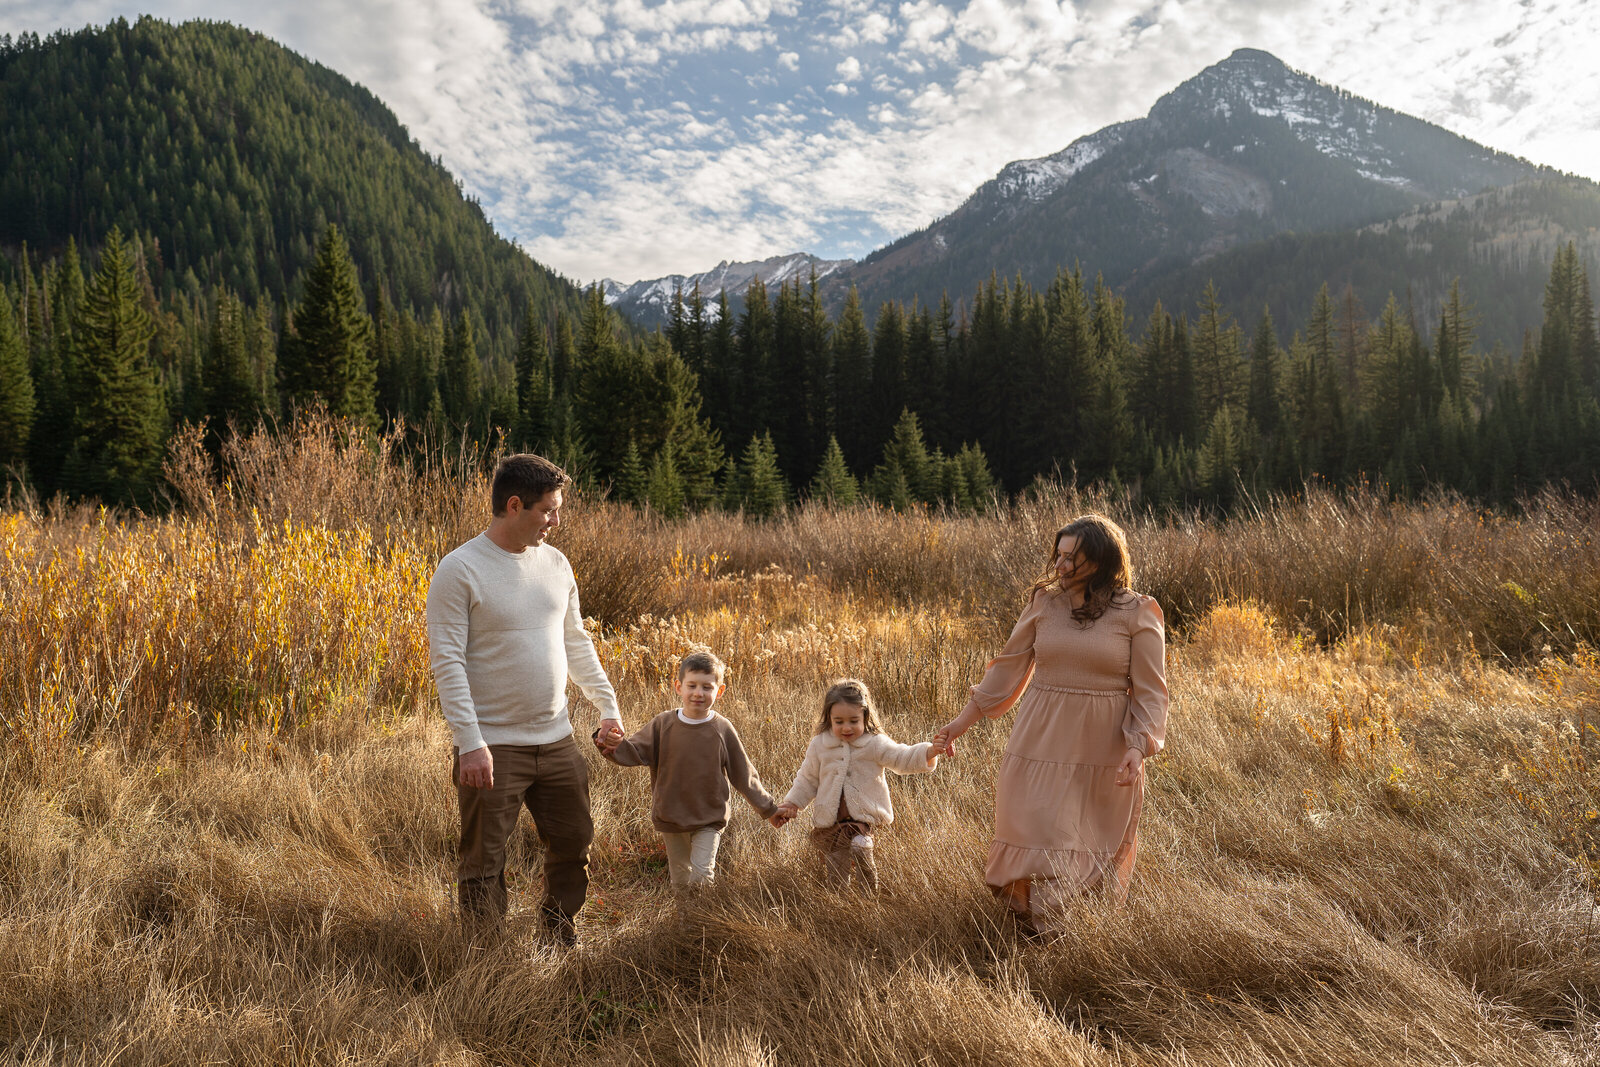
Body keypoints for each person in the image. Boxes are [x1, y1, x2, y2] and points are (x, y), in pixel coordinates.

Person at [425, 453, 623, 945]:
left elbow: (575, 641)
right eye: (548, 511)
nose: (556, 521)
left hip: (557, 739)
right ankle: (485, 959)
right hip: (492, 745)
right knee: (484, 860)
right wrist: (470, 742)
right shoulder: (460, 569)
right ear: (514, 506)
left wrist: (607, 706)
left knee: (575, 840)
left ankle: (557, 933)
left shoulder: (556, 563)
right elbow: (446, 662)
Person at [935, 514, 1167, 933]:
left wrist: (1138, 745)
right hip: (1038, 739)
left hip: (1104, 747)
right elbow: (1006, 670)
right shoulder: (1044, 603)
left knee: (1085, 838)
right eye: (1058, 555)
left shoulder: (1137, 611)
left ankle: (1062, 932)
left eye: (1072, 558)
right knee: (1029, 826)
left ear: (1100, 560)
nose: (1060, 566)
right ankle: (1030, 920)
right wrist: (960, 723)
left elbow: (1151, 691)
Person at [594, 650, 778, 888]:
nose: (698, 693)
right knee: (680, 879)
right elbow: (635, 752)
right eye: (692, 686)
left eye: (707, 687)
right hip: (672, 815)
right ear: (678, 687)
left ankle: (702, 923)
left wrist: (769, 809)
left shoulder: (722, 728)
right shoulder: (663, 724)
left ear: (719, 691)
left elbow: (744, 774)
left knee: (702, 877)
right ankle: (685, 923)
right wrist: (612, 744)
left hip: (709, 817)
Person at [771, 677, 942, 893]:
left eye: (853, 720)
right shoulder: (820, 745)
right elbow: (807, 778)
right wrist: (792, 803)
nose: (846, 727)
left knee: (861, 845)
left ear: (865, 716)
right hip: (831, 820)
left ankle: (870, 894)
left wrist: (929, 752)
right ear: (829, 719)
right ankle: (841, 903)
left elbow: (901, 757)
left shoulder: (874, 743)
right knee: (836, 869)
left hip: (863, 817)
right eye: (839, 721)